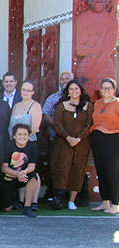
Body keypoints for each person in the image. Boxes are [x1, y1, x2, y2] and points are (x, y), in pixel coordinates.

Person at [49, 80, 93, 210]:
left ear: (80, 91)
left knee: (78, 169)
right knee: (62, 168)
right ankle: (59, 198)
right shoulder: (61, 106)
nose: (74, 91)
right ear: (67, 92)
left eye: (76, 89)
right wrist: (68, 138)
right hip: (63, 142)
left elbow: (89, 124)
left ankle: (72, 201)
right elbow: (57, 124)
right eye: (71, 89)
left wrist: (78, 138)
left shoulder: (89, 106)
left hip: (82, 144)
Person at [91, 78, 119, 214]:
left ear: (114, 89)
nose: (106, 90)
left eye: (109, 88)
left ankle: (116, 204)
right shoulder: (97, 103)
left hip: (112, 140)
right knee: (100, 170)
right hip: (97, 139)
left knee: (112, 172)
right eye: (104, 88)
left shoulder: (117, 103)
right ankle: (105, 202)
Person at [0, 123, 39, 218]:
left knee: (33, 176)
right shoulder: (8, 145)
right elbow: (3, 167)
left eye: (25, 134)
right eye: (19, 134)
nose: (22, 137)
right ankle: (11, 198)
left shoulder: (32, 146)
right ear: (14, 136)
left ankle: (27, 207)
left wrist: (24, 172)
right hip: (9, 177)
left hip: (23, 175)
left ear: (29, 135)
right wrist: (18, 174)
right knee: (7, 209)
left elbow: (32, 166)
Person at [42, 71, 74, 142]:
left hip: (74, 139)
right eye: (62, 79)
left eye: (67, 79)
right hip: (55, 138)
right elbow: (46, 114)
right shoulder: (52, 98)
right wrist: (58, 127)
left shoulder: (77, 97)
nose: (64, 81)